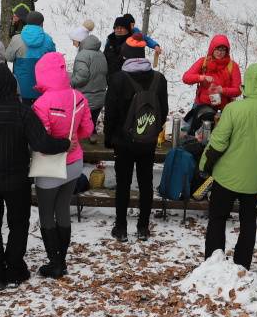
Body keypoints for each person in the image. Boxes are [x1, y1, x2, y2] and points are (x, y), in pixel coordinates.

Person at [0, 65, 64, 290]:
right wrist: (65, 144)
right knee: (18, 224)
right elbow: (41, 143)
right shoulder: (22, 111)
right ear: (11, 84)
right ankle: (15, 267)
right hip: (17, 179)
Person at [200, 62, 257, 269]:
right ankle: (242, 264)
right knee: (248, 222)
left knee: (218, 218)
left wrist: (206, 164)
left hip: (226, 176)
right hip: (253, 180)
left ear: (247, 83)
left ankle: (213, 262)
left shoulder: (233, 109)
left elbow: (218, 142)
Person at [31, 53, 94, 277]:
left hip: (50, 167)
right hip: (75, 162)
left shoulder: (41, 104)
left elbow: (43, 141)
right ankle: (62, 260)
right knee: (63, 210)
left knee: (47, 213)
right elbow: (87, 130)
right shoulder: (79, 97)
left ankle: (55, 262)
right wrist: (71, 138)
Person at [104, 34, 169, 241]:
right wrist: (152, 129)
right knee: (146, 183)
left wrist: (109, 138)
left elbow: (111, 113)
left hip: (123, 142)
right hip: (147, 140)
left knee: (123, 184)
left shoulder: (118, 79)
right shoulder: (159, 79)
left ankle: (121, 228)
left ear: (126, 56)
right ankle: (143, 228)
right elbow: (163, 110)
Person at [182, 35, 242, 135]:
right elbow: (186, 78)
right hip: (201, 107)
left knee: (217, 138)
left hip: (222, 111)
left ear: (227, 51)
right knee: (193, 135)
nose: (220, 52)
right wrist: (202, 77)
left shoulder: (232, 66)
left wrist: (222, 90)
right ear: (212, 49)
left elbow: (238, 90)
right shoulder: (203, 62)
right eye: (217, 49)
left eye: (223, 50)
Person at [6, 10, 56, 103]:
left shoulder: (16, 39)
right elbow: (53, 61)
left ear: (26, 22)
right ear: (41, 24)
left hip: (21, 89)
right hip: (42, 89)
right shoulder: (48, 40)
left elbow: (8, 57)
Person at [69, 26, 108, 125]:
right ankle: (92, 134)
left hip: (86, 96)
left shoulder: (82, 55)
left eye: (74, 41)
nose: (73, 44)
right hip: (100, 95)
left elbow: (82, 76)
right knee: (92, 120)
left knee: (83, 120)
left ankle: (82, 135)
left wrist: (71, 82)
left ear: (80, 41)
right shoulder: (100, 53)